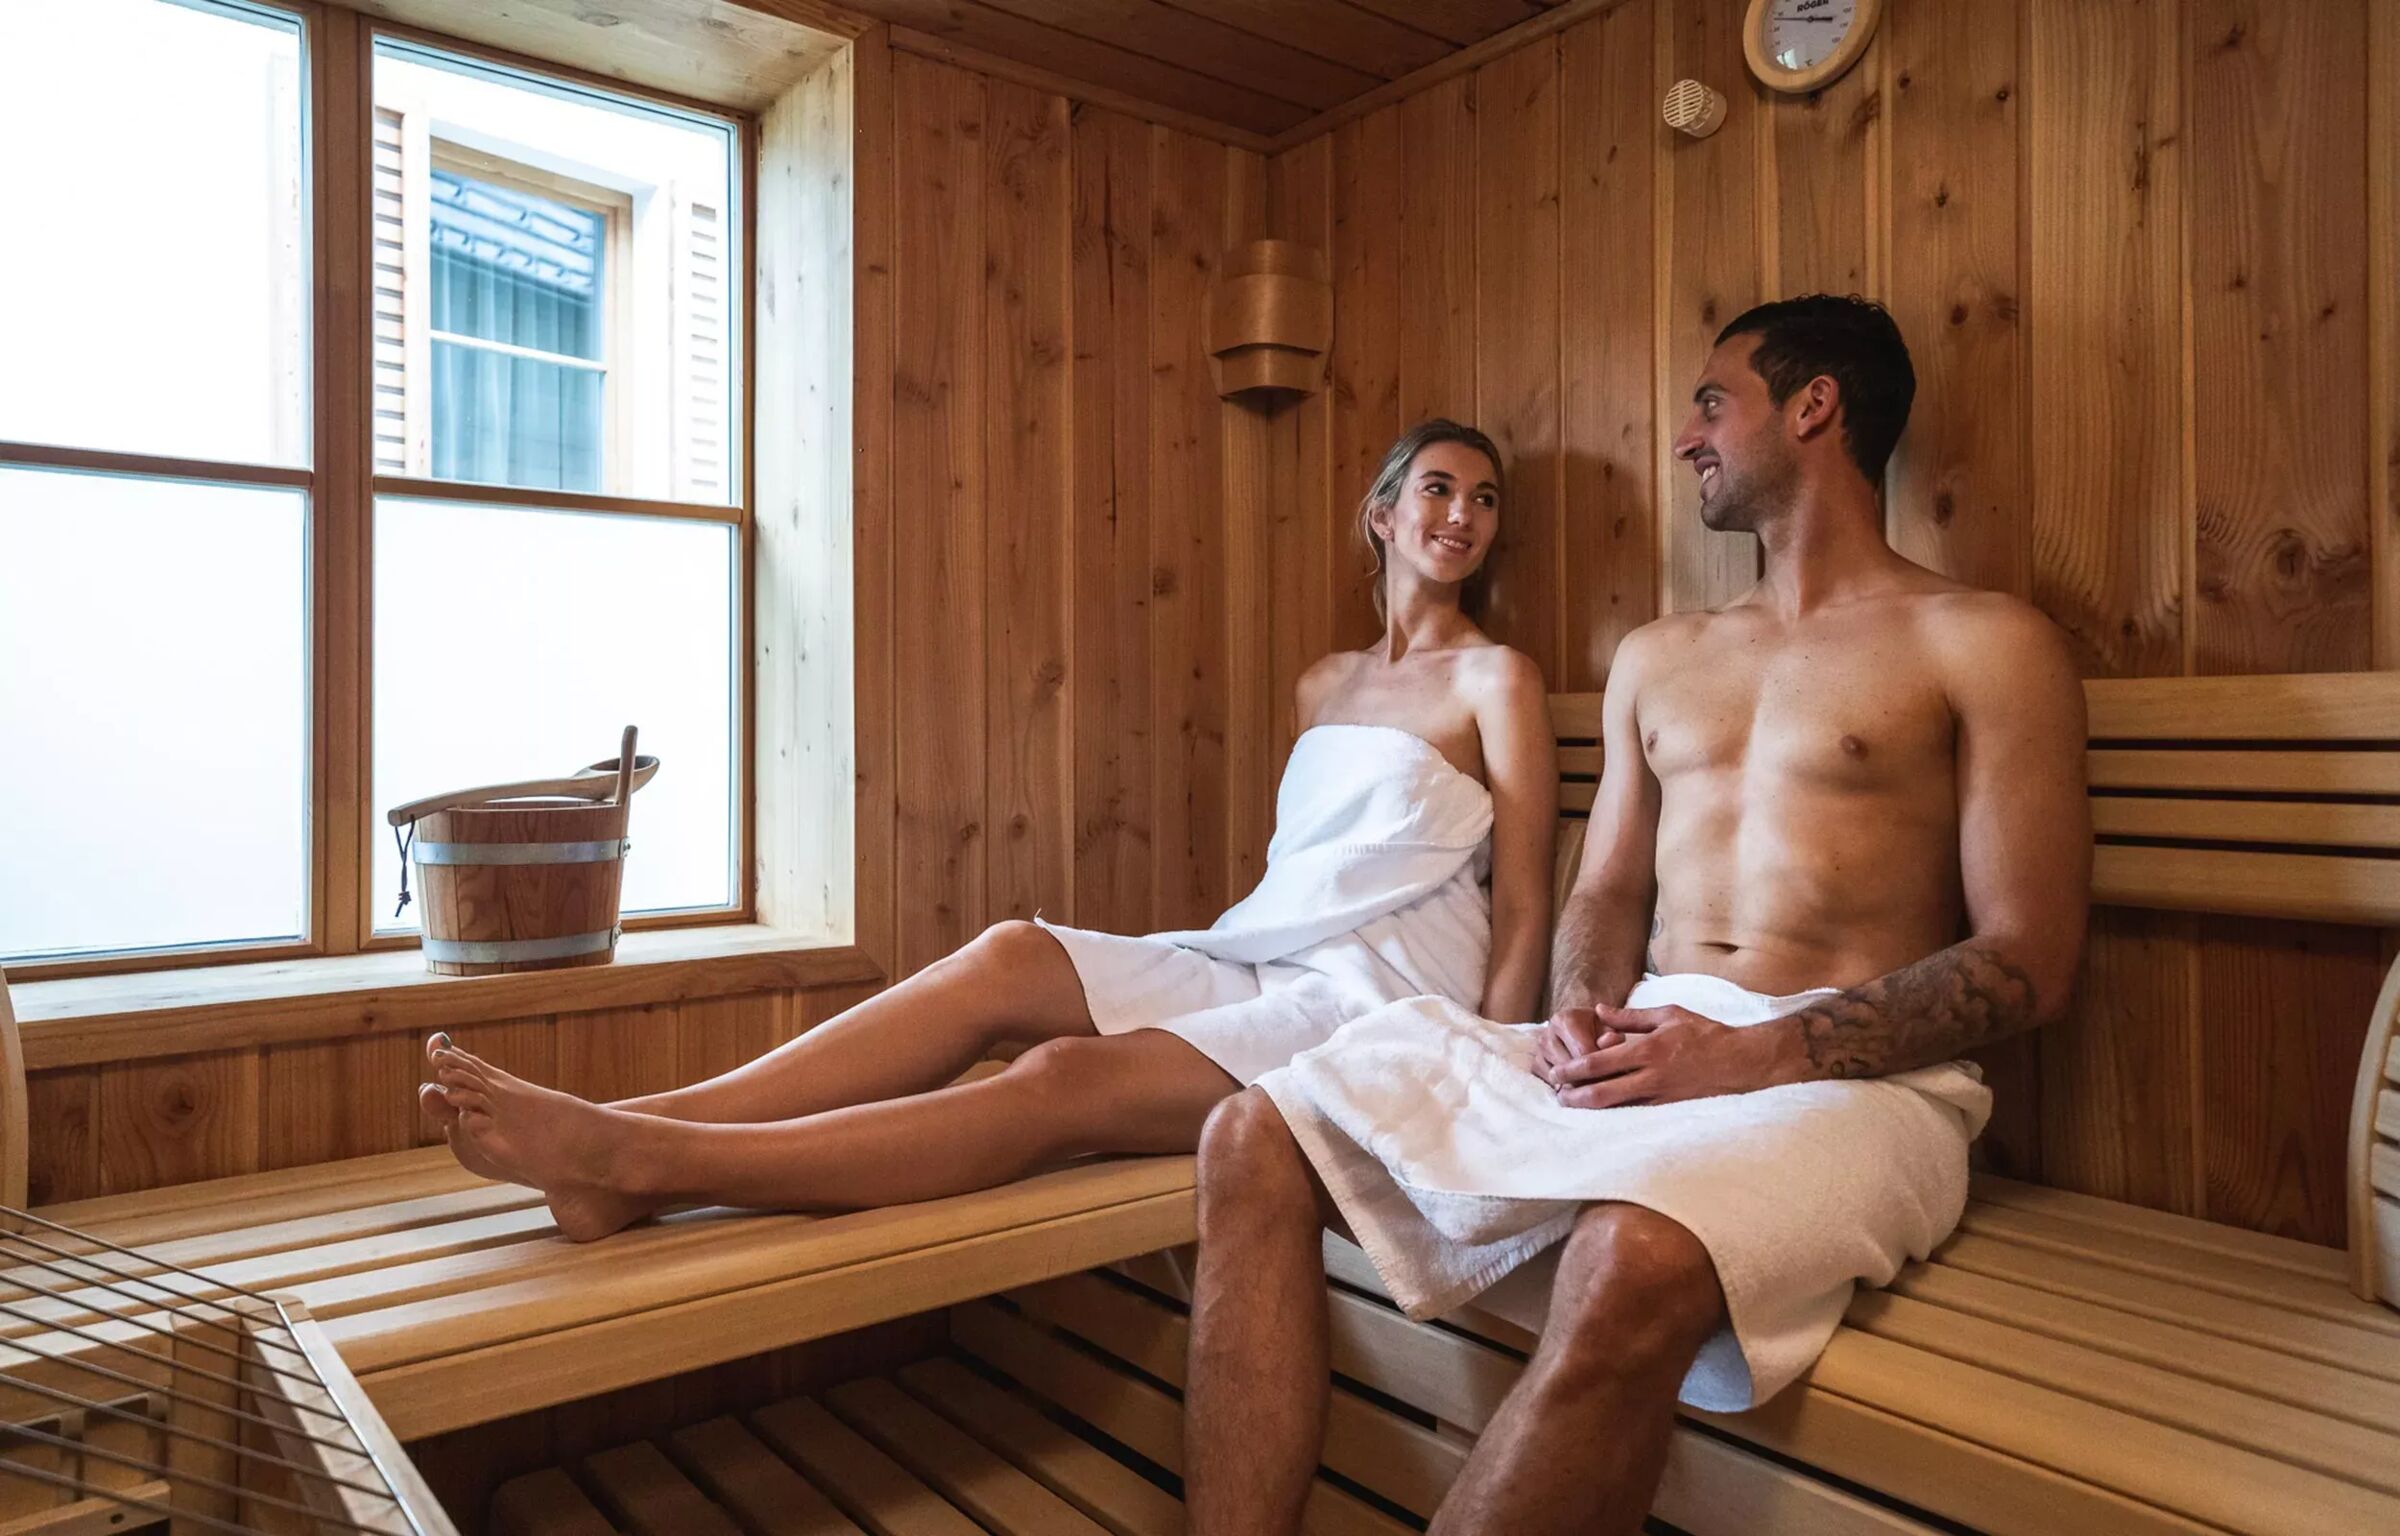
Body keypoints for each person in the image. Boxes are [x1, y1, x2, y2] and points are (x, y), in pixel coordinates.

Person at [1182, 296, 2091, 1536]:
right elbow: (1605, 892)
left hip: (1857, 1074)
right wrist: (1575, 1017)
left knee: (1630, 1254)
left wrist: (1755, 1050)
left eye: (1713, 403)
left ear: (1814, 406)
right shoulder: (1662, 657)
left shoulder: (1983, 641)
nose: (1685, 438)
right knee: (1251, 1134)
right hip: (1645, 1040)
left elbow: (2030, 963)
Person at [419, 419, 1556, 1244]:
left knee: (1063, 1075)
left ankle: (638, 1159)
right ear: (1384, 514)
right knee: (1013, 954)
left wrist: (1489, 1064)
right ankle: (619, 1138)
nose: (1464, 515)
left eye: (1487, 499)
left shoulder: (1499, 679)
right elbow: (1311, 874)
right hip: (1266, 954)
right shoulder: (1323, 684)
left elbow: (1525, 897)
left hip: (1391, 1001)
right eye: (1442, 489)